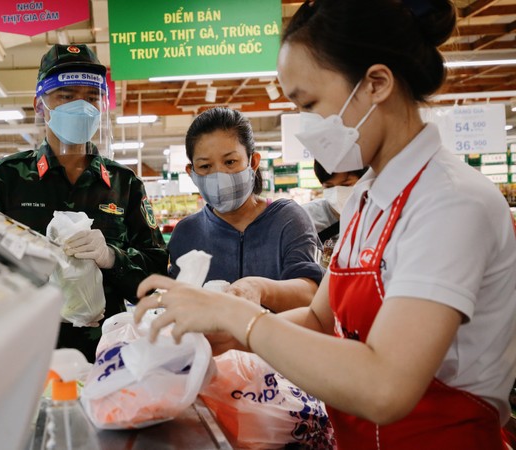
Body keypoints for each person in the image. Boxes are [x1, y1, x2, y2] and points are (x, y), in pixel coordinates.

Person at [133, 1, 516, 448]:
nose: (308, 127)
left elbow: (385, 387)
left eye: (310, 104)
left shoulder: (451, 204)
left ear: (376, 84)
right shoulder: (368, 200)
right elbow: (319, 318)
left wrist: (239, 316)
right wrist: (227, 335)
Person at [0, 44, 168, 362]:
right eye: (66, 96)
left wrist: (112, 257)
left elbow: (156, 275)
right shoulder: (4, 179)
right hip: (27, 353)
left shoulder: (124, 184)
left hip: (110, 355)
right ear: (40, 105)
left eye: (92, 97)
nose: (82, 106)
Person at [168, 107, 322, 312]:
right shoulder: (187, 233)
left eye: (230, 162)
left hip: (277, 342)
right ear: (192, 172)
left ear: (253, 162)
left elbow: (310, 293)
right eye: (205, 166)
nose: (219, 175)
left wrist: (259, 289)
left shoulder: (288, 220)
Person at [302, 160, 367, 244]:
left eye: (346, 185)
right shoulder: (306, 217)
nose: (337, 192)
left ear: (363, 181)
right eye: (329, 186)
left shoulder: (374, 215)